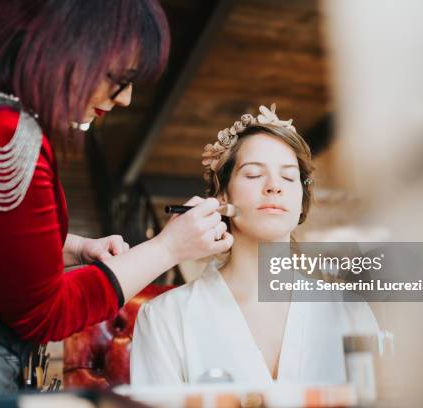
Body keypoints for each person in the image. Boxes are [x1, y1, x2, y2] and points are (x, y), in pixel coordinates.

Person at [0, 0, 232, 393]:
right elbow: (43, 316)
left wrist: (73, 249)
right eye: (118, 76)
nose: (124, 98)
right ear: (64, 45)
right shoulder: (0, 132)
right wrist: (167, 249)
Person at [131, 104, 378, 385]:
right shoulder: (165, 317)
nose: (275, 186)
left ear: (300, 203)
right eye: (253, 174)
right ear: (222, 198)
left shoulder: (350, 311)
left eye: (288, 176)